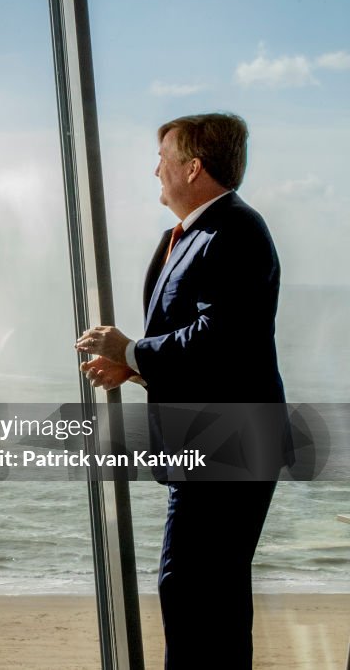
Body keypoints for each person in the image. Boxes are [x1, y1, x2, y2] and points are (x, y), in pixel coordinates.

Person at [75, 113, 288, 669]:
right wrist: (138, 371)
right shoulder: (196, 235)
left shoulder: (234, 231)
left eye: (165, 160)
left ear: (194, 168)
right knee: (202, 596)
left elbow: (219, 337)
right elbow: (219, 356)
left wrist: (130, 351)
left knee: (195, 594)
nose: (156, 171)